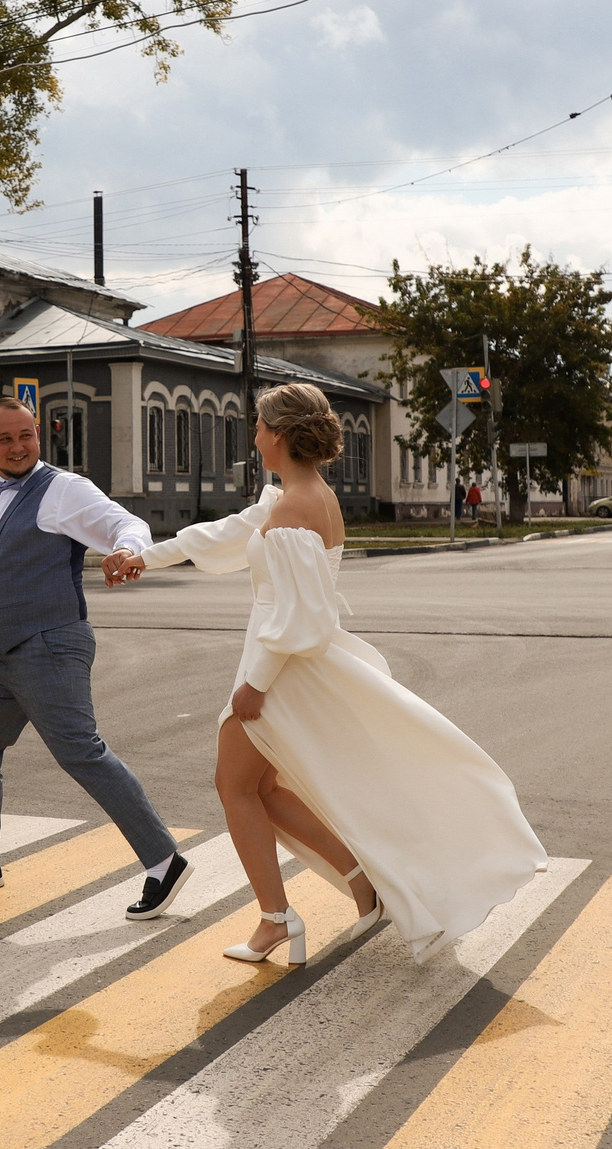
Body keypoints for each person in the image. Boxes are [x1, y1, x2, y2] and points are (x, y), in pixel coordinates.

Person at [107, 383, 546, 963]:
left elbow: (303, 616)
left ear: (281, 434)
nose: (256, 437)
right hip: (281, 662)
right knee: (258, 788)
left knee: (235, 786)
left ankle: (277, 920)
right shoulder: (298, 495)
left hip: (282, 670)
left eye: (261, 427)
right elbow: (228, 533)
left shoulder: (295, 507)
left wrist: (255, 685)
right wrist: (145, 555)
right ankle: (358, 881)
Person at [0, 398, 193, 922]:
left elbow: (128, 523)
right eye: (5, 439)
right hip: (4, 652)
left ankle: (165, 860)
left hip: (50, 643)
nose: (18, 446)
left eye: (26, 435)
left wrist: (127, 551)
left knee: (81, 752)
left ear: (38, 435)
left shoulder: (62, 489)